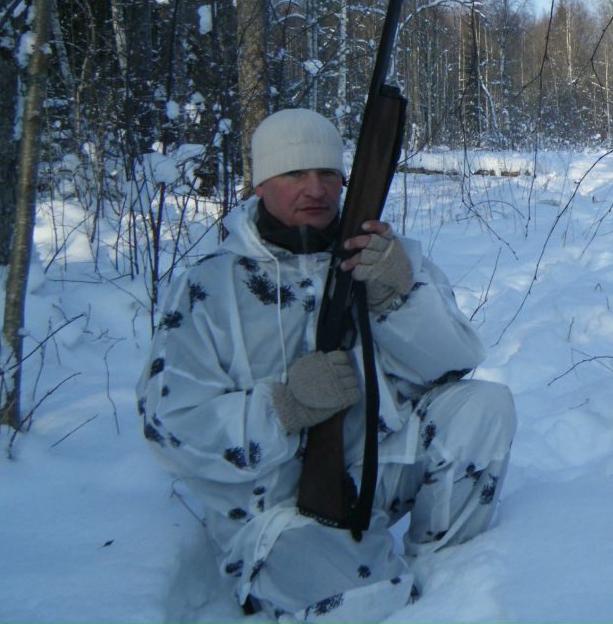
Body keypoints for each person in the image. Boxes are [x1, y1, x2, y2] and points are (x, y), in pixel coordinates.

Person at [136, 108, 515, 622]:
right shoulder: (212, 287)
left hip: (374, 467)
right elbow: (170, 427)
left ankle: (449, 580)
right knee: (364, 604)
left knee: (485, 406)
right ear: (261, 182)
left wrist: (398, 297)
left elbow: (455, 363)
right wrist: (282, 406)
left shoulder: (378, 255)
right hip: (272, 504)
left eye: (328, 174)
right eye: (294, 173)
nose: (315, 188)